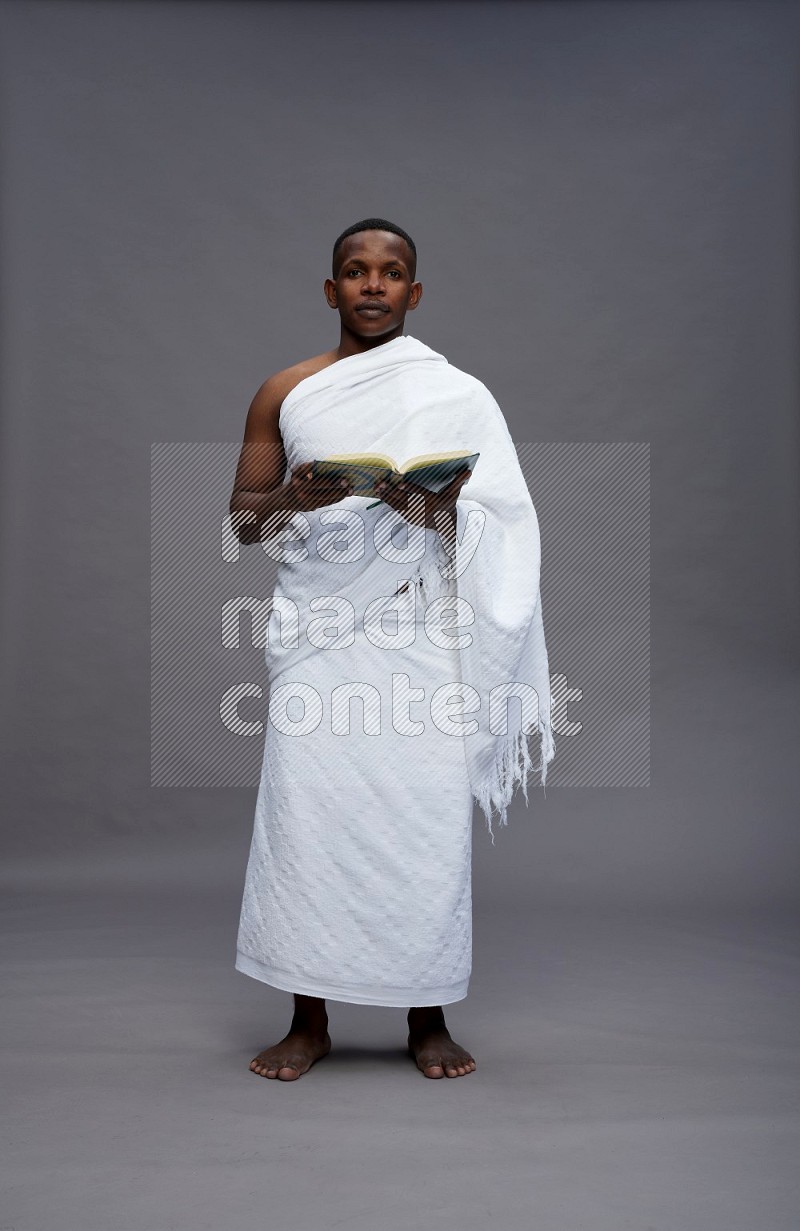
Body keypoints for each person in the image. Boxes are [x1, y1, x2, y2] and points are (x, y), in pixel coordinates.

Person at [230, 218, 553, 1080]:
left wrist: (435, 512)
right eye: (355, 271)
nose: (373, 285)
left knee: (422, 817)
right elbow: (242, 522)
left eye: (392, 272)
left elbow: (502, 522)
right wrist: (293, 494)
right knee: (310, 818)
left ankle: (427, 1013)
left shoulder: (461, 394)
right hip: (320, 638)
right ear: (331, 290)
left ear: (415, 292)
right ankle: (308, 1018)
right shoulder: (285, 393)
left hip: (419, 636)